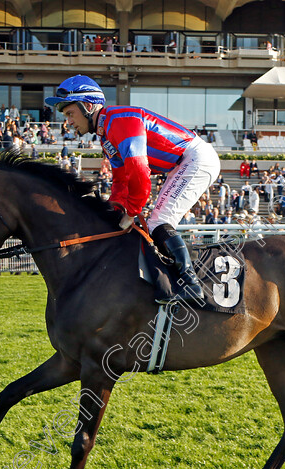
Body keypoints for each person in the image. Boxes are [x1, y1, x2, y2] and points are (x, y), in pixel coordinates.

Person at [46, 75, 220, 304]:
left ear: (87, 106)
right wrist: (114, 210)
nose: (68, 121)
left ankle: (191, 284)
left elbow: (138, 172)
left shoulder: (119, 122)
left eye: (70, 113)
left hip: (195, 159)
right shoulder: (106, 132)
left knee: (159, 222)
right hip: (182, 163)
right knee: (151, 222)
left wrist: (131, 210)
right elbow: (120, 179)